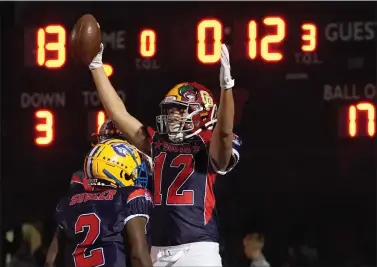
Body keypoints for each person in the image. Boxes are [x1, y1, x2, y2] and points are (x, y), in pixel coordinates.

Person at [88, 41, 240, 266]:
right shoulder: (157, 142)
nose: (172, 117)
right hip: (159, 250)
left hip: (197, 248)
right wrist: (96, 66)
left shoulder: (207, 143)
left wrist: (227, 89)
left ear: (202, 112)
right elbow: (118, 113)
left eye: (179, 111)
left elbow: (225, 134)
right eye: (169, 112)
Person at [45, 139, 153, 267]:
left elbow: (51, 260)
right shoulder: (129, 197)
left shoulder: (70, 201)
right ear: (118, 170)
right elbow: (138, 256)